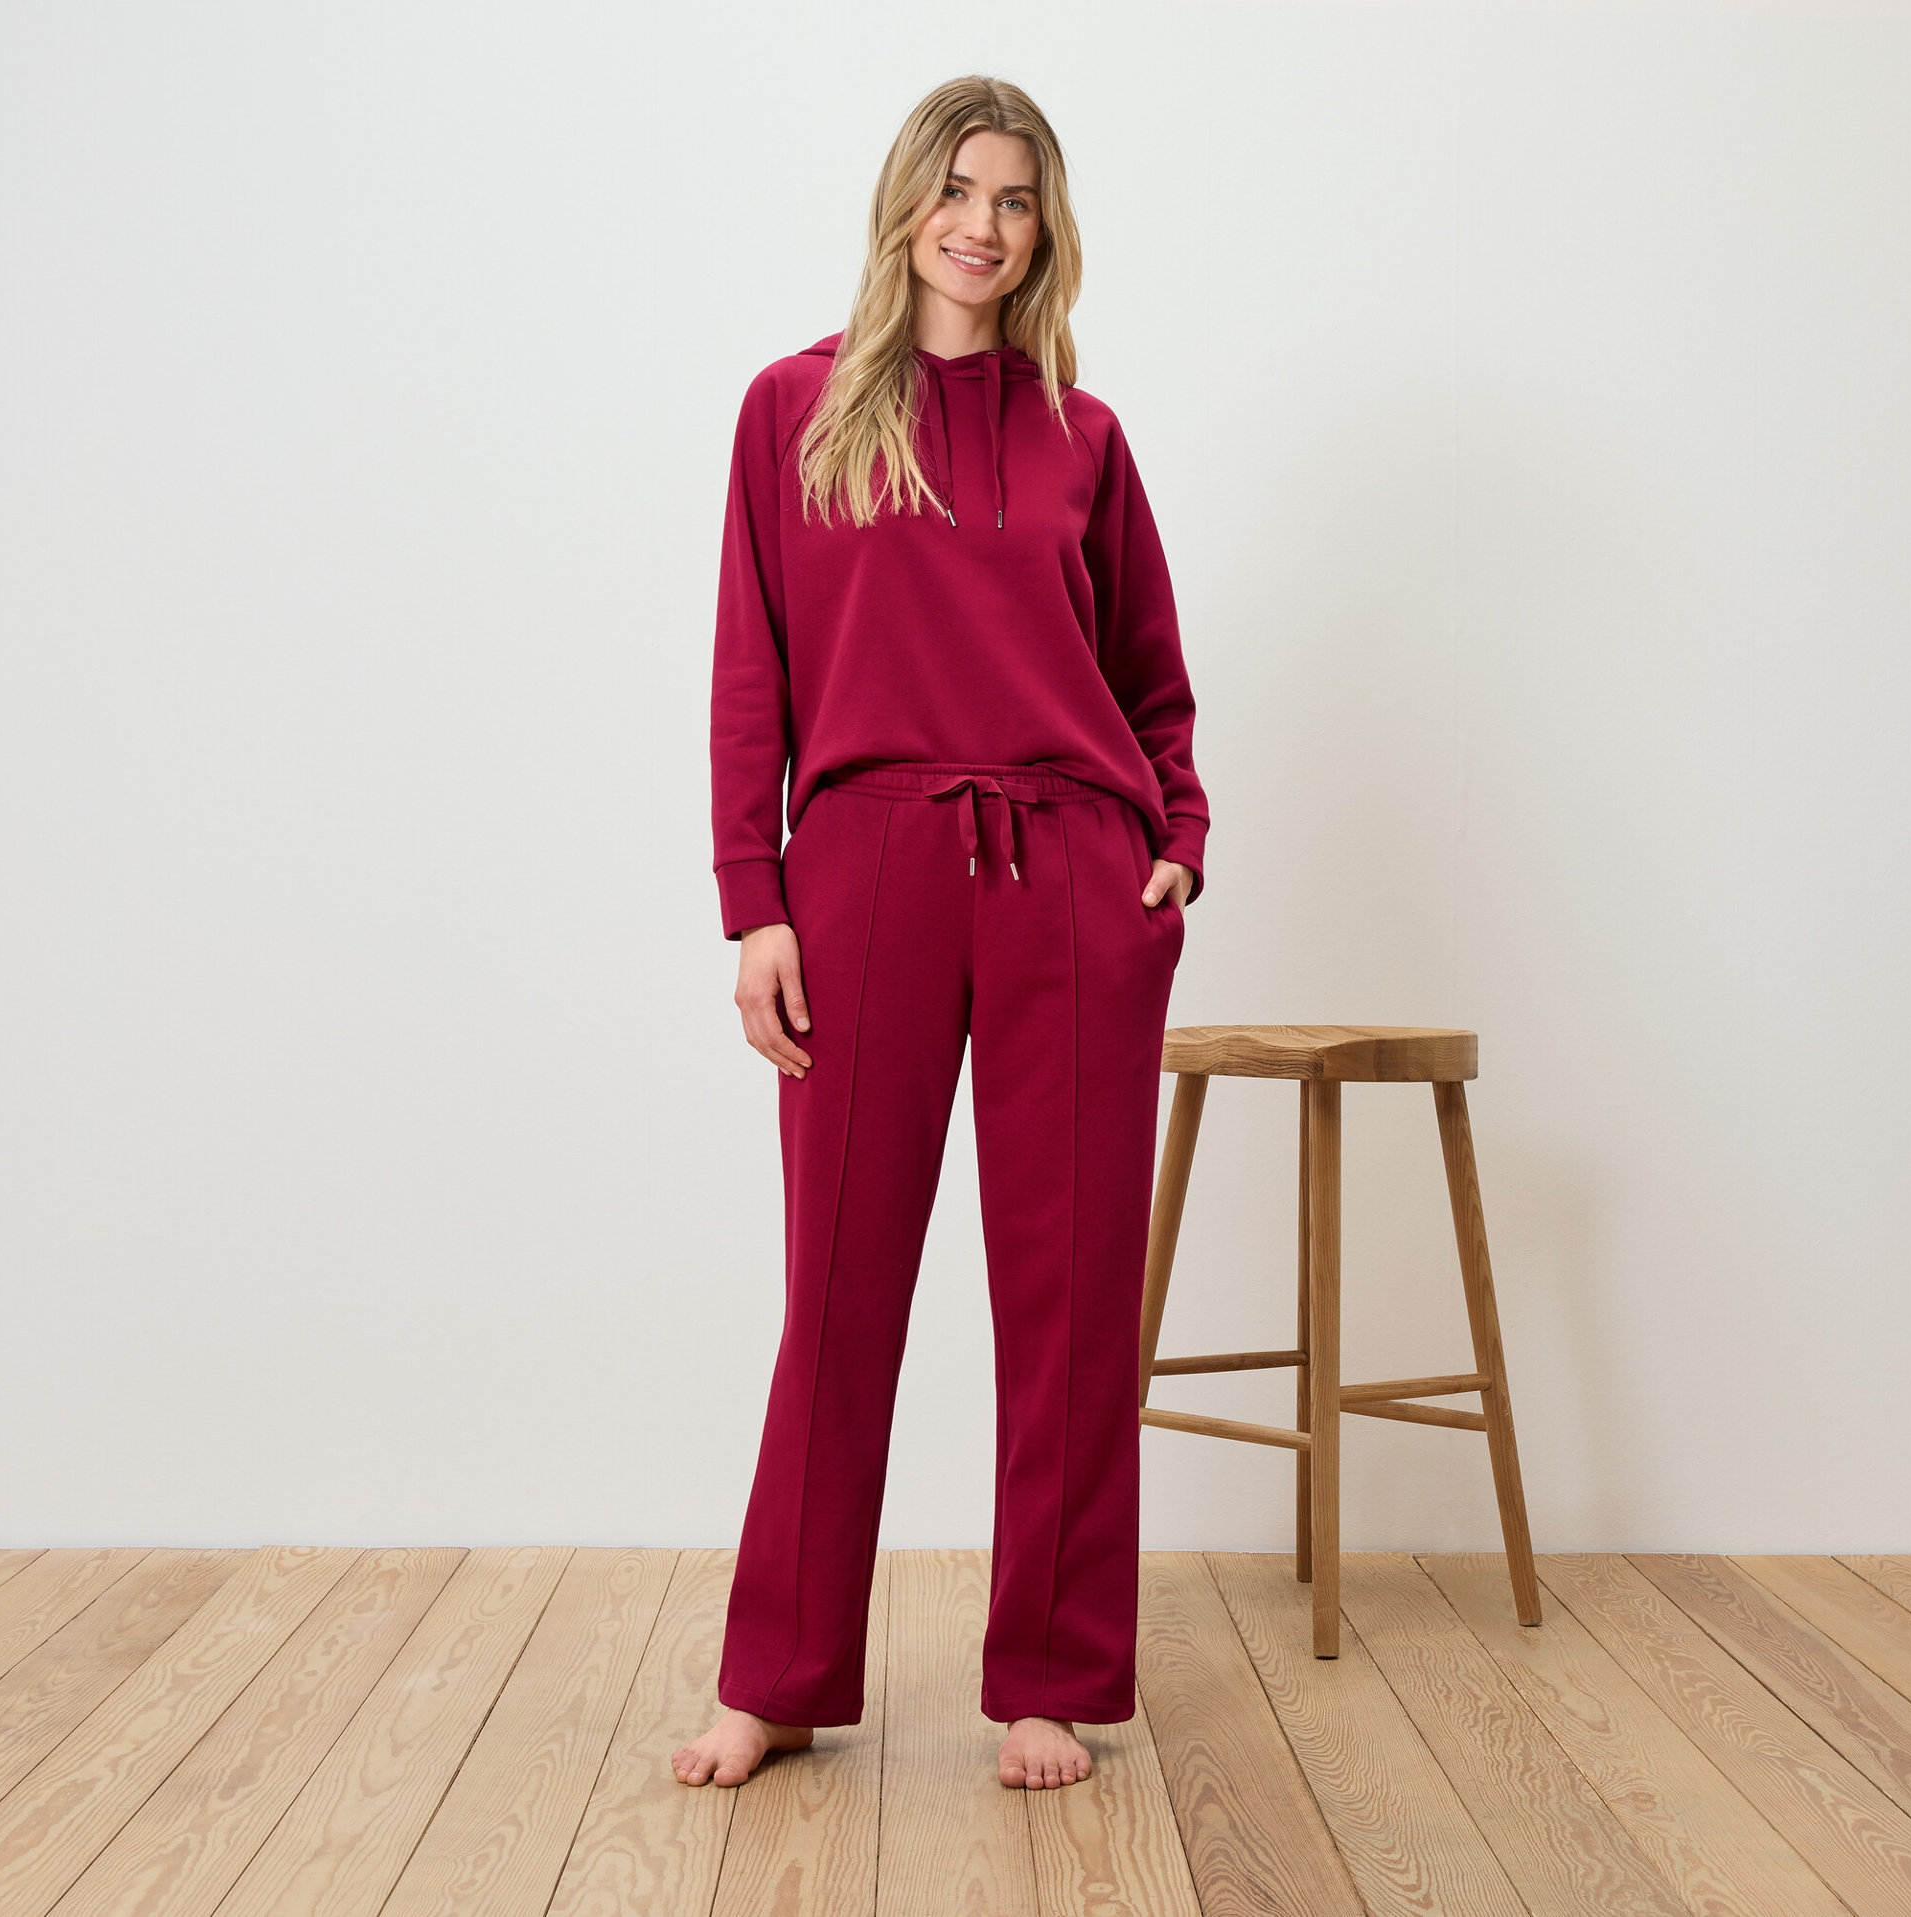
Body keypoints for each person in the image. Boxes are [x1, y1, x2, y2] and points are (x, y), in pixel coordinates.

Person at [671, 74, 1209, 1795]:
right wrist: (752, 902)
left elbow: (1151, 681)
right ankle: (778, 1673)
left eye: (1018, 197)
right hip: (867, 867)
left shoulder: (1083, 435)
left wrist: (1173, 845)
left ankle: (1047, 1678)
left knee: (1064, 1300)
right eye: (960, 187)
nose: (983, 222)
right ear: (908, 198)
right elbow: (749, 670)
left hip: (1068, 869)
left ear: (1046, 230)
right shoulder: (794, 411)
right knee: (836, 1284)